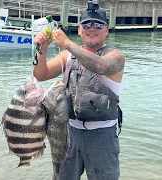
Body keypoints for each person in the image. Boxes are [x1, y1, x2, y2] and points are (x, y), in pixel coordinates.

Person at [33, 2, 125, 180]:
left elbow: (102, 66)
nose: (92, 28)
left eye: (98, 25)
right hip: (68, 133)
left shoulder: (116, 57)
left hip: (102, 136)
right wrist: (41, 50)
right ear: (80, 29)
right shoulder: (68, 57)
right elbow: (40, 74)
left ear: (106, 30)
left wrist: (67, 43)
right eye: (87, 24)